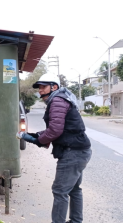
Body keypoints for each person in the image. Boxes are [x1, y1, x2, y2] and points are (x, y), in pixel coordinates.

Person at [16, 73, 92, 223]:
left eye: (43, 87)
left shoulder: (57, 101)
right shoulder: (62, 98)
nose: (40, 90)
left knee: (60, 191)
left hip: (72, 152)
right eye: (39, 88)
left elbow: (55, 131)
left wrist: (38, 141)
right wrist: (35, 135)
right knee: (74, 189)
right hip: (80, 150)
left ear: (54, 87)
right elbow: (57, 128)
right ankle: (76, 220)